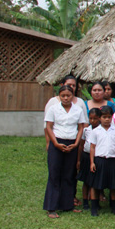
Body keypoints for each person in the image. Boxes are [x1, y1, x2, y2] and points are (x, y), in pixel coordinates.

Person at [43, 85, 87, 218]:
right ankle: (51, 207)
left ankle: (67, 205)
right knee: (54, 174)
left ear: (73, 96)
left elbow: (80, 128)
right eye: (63, 96)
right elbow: (49, 127)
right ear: (59, 96)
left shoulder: (78, 109)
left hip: (72, 144)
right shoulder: (53, 109)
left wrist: (76, 143)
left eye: (68, 95)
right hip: (57, 143)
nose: (66, 98)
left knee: (69, 175)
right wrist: (55, 143)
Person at [88, 105, 115, 217]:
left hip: (112, 160)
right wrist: (92, 162)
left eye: (109, 117)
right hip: (99, 160)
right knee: (96, 185)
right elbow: (92, 147)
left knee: (113, 185)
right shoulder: (96, 131)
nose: (107, 119)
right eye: (104, 117)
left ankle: (114, 207)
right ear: (100, 118)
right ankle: (94, 207)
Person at [77, 107, 100, 211]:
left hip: (97, 157)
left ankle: (95, 201)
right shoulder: (86, 130)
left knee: (95, 181)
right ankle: (85, 201)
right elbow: (81, 145)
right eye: (90, 118)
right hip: (86, 156)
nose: (93, 121)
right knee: (86, 181)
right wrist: (78, 160)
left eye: (95, 118)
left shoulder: (101, 130)